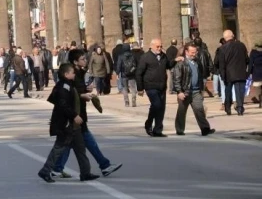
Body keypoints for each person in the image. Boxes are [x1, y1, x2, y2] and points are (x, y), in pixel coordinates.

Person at [52, 49, 122, 179]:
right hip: (74, 116)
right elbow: (67, 96)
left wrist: (85, 89)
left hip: (78, 114)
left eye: (85, 58)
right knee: (82, 142)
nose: (85, 61)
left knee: (70, 143)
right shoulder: (71, 75)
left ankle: (57, 168)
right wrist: (82, 95)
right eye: (82, 59)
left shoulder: (79, 73)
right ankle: (103, 166)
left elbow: (76, 91)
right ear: (75, 62)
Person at [37, 63, 98, 183]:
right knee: (58, 148)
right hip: (66, 124)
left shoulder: (69, 85)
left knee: (80, 148)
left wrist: (86, 91)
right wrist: (74, 115)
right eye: (72, 72)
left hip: (74, 126)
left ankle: (85, 173)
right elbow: (63, 104)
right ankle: (45, 171)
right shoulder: (63, 86)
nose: (74, 74)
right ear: (66, 74)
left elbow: (74, 95)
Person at [136, 39, 178, 137]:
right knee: (156, 105)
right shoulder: (145, 57)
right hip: (150, 86)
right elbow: (139, 73)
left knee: (161, 108)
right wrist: (140, 88)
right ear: (152, 46)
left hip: (162, 86)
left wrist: (175, 60)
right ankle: (149, 123)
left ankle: (158, 130)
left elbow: (168, 65)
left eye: (160, 46)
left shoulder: (163, 56)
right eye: (157, 46)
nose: (159, 48)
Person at [172, 43, 215, 136]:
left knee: (199, 109)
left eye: (195, 52)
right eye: (192, 52)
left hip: (196, 91)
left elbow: (200, 75)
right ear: (186, 52)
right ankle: (179, 129)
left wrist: (201, 88)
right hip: (185, 92)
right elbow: (176, 78)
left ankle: (205, 129)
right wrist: (179, 91)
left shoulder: (197, 62)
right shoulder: (181, 63)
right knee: (182, 111)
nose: (194, 54)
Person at [218, 30, 249, 116]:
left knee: (228, 90)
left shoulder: (222, 48)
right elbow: (247, 59)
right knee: (240, 90)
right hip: (240, 71)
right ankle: (240, 107)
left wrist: (222, 75)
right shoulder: (241, 45)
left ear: (224, 38)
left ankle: (228, 107)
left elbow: (222, 63)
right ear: (233, 35)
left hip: (228, 73)